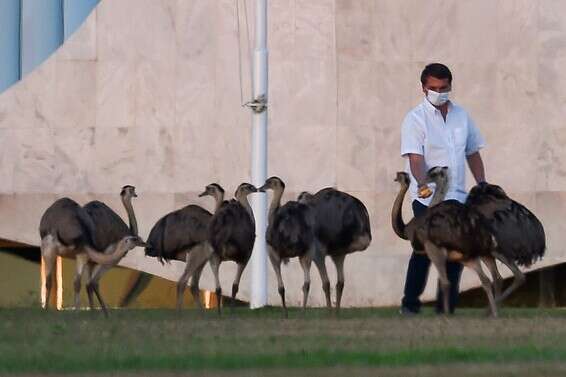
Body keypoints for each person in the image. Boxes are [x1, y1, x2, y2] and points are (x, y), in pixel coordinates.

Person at [399, 63, 486, 315]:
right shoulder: (415, 119)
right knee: (424, 251)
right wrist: (423, 182)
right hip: (428, 199)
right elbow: (415, 158)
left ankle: (445, 307)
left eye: (443, 87)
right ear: (423, 88)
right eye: (433, 88)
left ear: (450, 85)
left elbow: (473, 152)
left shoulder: (462, 116)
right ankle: (410, 305)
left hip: (457, 196)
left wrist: (482, 184)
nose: (439, 92)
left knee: (457, 253)